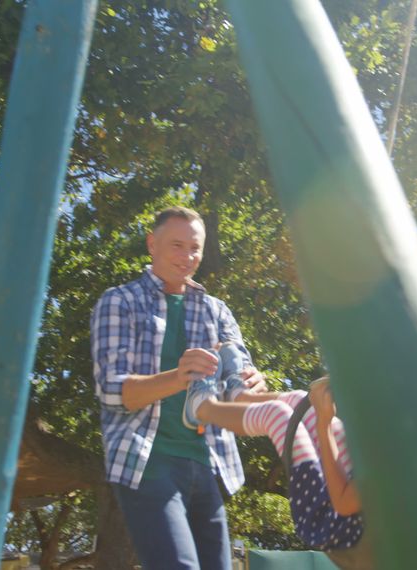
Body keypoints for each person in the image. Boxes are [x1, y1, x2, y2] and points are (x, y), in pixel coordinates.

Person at [91, 206, 266, 570]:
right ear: (152, 244)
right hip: (148, 461)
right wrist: (179, 375)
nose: (187, 257)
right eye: (177, 245)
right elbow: (112, 391)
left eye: (195, 249)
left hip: (209, 463)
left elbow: (239, 382)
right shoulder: (120, 301)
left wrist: (253, 383)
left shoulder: (216, 311)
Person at [182, 342, 367, 562]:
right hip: (358, 501)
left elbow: (344, 504)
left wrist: (324, 423)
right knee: (301, 400)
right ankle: (240, 397)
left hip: (336, 524)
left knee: (277, 414)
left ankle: (202, 407)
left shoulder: (397, 464)